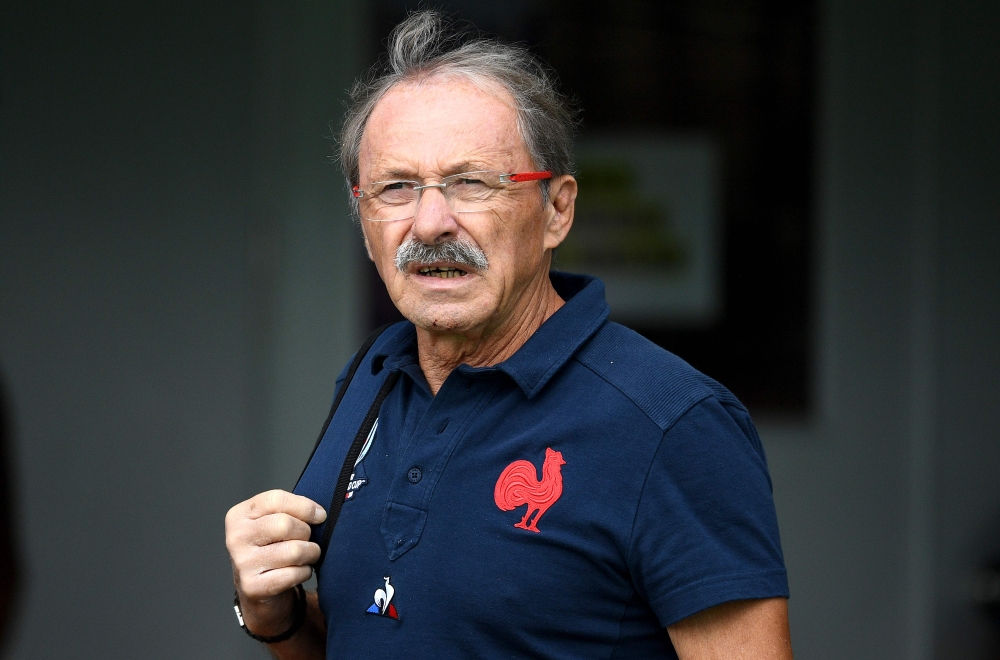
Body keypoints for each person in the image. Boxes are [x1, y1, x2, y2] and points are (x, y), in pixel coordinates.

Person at [225, 10, 792, 659]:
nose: (430, 223)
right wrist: (275, 615)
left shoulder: (672, 424)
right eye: (396, 187)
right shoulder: (372, 375)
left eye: (471, 182)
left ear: (558, 210)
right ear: (363, 218)